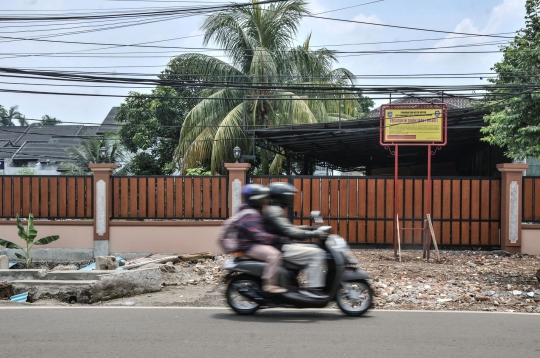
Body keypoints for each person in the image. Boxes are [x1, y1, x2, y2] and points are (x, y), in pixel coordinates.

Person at [263, 182, 329, 298]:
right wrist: (314, 233)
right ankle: (312, 288)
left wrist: (313, 228)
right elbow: (290, 231)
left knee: (315, 248)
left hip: (281, 245)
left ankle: (295, 281)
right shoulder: (274, 211)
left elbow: (289, 227)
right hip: (280, 247)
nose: (291, 198)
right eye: (289, 195)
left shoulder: (276, 209)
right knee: (317, 253)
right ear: (282, 196)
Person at [235, 184, 287, 294]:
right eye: (261, 197)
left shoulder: (252, 211)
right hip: (249, 246)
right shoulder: (250, 214)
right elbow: (259, 236)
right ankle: (269, 283)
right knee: (274, 255)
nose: (264, 200)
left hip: (252, 243)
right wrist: (277, 238)